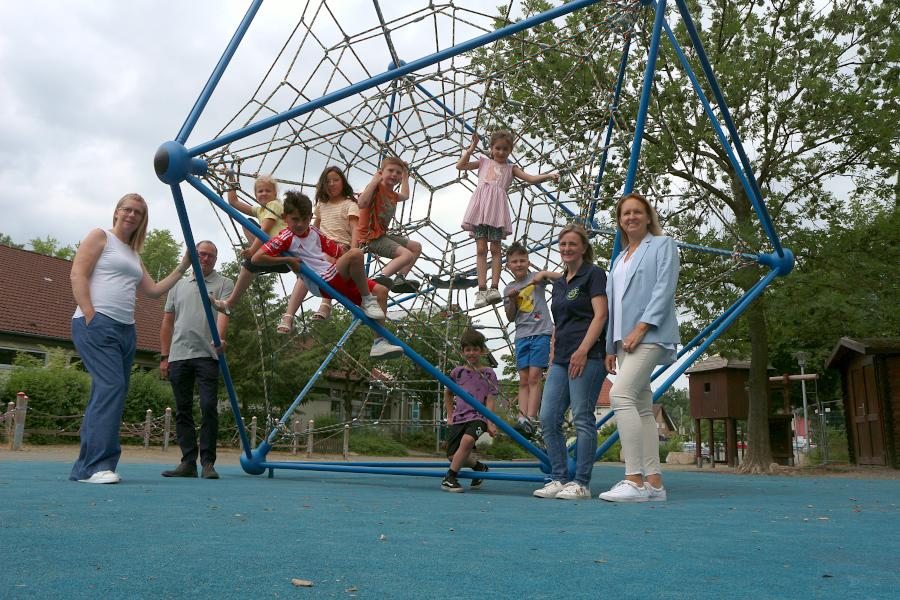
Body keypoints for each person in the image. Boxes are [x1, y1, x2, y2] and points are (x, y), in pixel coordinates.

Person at [69, 193, 190, 484]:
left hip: (126, 328)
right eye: (127, 209)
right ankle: (95, 467)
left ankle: (86, 467)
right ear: (116, 212)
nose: (131, 214)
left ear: (142, 220)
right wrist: (89, 313)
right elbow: (78, 274)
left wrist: (184, 265)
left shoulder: (133, 254)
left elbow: (153, 290)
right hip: (98, 324)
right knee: (111, 387)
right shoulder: (100, 237)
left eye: (137, 212)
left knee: (111, 392)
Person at [253, 191, 403, 359]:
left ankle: (379, 343)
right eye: (295, 219)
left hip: (333, 275)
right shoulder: (286, 237)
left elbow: (335, 250)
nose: (300, 224)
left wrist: (345, 250)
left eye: (304, 219)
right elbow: (257, 258)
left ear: (310, 217)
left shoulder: (314, 233)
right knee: (356, 255)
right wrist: (289, 259)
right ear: (285, 217)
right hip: (321, 280)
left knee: (381, 291)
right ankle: (367, 300)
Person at [599, 192, 679, 503]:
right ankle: (655, 484)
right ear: (619, 221)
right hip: (623, 340)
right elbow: (615, 305)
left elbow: (664, 288)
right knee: (644, 408)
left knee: (620, 396)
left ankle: (633, 479)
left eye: (637, 212)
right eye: (625, 213)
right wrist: (610, 346)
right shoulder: (619, 258)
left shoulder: (662, 245)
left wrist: (642, 327)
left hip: (650, 334)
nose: (631, 217)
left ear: (648, 216)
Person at [531, 224, 608, 500]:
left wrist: (583, 350)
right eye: (562, 244)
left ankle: (582, 483)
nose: (566, 249)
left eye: (572, 244)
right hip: (561, 358)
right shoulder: (561, 282)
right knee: (548, 418)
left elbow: (600, 315)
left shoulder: (595, 275)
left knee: (583, 418)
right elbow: (559, 323)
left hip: (588, 356)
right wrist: (553, 358)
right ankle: (559, 477)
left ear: (584, 248)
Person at [456, 131, 558, 308]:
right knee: (481, 248)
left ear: (510, 150)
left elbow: (530, 178)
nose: (501, 152)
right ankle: (481, 289)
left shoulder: (511, 168)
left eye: (505, 149)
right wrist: (471, 148)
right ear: (491, 148)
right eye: (497, 148)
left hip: (496, 211)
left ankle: (494, 288)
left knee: (495, 249)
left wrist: (548, 176)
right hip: (480, 209)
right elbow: (460, 165)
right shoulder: (484, 162)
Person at [159, 241, 233, 480]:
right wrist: (164, 356)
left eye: (210, 255)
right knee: (182, 410)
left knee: (209, 406)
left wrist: (220, 339)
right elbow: (167, 321)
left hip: (207, 355)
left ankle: (208, 462)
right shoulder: (178, 285)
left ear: (216, 258)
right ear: (193, 256)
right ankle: (188, 462)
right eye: (201, 254)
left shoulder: (224, 283)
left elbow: (223, 314)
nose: (205, 258)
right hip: (179, 354)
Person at [278, 166, 359, 333]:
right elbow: (314, 227)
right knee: (306, 270)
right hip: (320, 246)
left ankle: (325, 304)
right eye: (327, 181)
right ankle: (289, 315)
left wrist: (353, 250)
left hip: (340, 246)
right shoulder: (322, 205)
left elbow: (355, 228)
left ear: (343, 182)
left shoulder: (349, 204)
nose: (331, 184)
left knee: (324, 263)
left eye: (335, 180)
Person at [209, 173, 289, 315]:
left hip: (282, 251)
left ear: (275, 193)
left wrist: (252, 250)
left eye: (268, 190)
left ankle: (230, 304)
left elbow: (265, 230)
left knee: (250, 260)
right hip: (274, 251)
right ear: (255, 194)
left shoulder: (274, 205)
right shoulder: (260, 210)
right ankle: (230, 304)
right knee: (247, 224)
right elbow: (234, 202)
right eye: (260, 191)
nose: (264, 193)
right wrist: (231, 179)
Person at [503, 241, 552, 438]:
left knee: (534, 377)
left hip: (540, 333)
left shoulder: (536, 279)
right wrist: (512, 299)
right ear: (508, 266)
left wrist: (544, 274)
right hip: (522, 335)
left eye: (522, 260)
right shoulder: (509, 288)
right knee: (523, 379)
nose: (519, 264)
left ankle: (531, 418)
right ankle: (522, 418)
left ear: (529, 262)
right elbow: (510, 316)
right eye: (514, 261)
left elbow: (561, 278)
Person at [441, 328, 497, 493]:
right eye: (468, 350)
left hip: (478, 417)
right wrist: (450, 416)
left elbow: (491, 400)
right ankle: (479, 468)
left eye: (475, 349)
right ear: (462, 351)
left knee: (466, 442)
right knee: (453, 456)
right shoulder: (457, 373)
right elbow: (448, 393)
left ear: (482, 351)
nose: (471, 353)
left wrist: (490, 422)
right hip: (459, 418)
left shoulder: (488, 373)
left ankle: (450, 478)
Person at [357, 156, 422, 293]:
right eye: (390, 170)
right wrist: (374, 181)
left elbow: (405, 195)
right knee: (406, 255)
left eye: (398, 172)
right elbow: (362, 203)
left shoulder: (392, 194)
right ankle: (379, 278)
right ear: (381, 172)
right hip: (369, 237)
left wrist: (405, 175)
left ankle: (400, 279)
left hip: (380, 235)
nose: (394, 174)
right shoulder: (376, 188)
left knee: (416, 248)